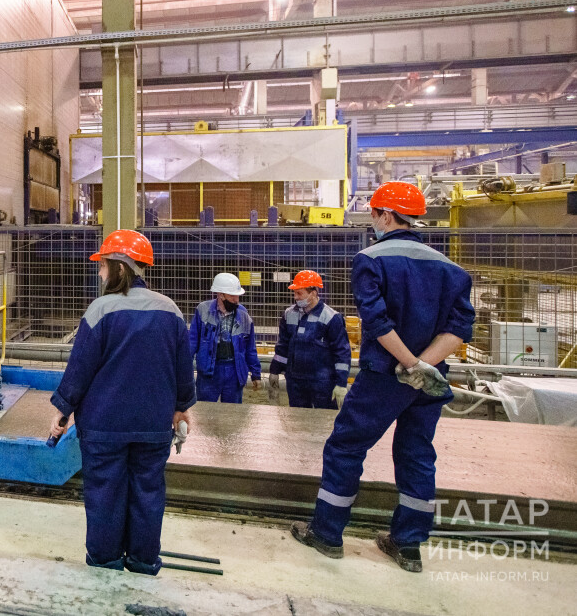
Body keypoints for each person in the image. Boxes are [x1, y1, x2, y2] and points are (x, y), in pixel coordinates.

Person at [291, 181, 474, 573]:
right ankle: (408, 545)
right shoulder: (452, 269)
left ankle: (327, 533)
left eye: (373, 214)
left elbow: (376, 321)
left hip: (384, 377)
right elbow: (460, 327)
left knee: (346, 448)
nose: (372, 221)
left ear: (386, 216)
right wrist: (424, 367)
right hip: (429, 381)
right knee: (417, 455)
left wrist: (408, 364)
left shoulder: (371, 259)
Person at [48, 229, 195, 575]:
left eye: (103, 266)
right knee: (148, 493)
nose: (100, 273)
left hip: (104, 426)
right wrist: (181, 408)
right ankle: (143, 561)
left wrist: (62, 409)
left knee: (105, 495)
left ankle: (105, 562)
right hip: (153, 425)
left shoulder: (101, 310)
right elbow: (182, 367)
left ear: (120, 267)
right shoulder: (170, 310)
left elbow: (80, 368)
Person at [269, 270, 352, 409]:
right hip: (295, 382)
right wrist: (274, 371)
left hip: (323, 383)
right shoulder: (289, 315)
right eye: (294, 293)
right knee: (297, 419)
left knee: (323, 419)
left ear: (313, 293)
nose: (295, 297)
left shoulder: (331, 318)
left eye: (299, 293)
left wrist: (341, 383)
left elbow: (342, 352)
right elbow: (283, 346)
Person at [188, 273, 261, 403]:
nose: (236, 300)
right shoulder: (203, 310)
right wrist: (183, 366)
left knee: (233, 412)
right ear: (221, 295)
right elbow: (192, 342)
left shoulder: (243, 315)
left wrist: (256, 374)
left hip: (234, 371)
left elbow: (250, 348)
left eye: (237, 295)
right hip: (209, 371)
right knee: (205, 410)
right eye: (232, 296)